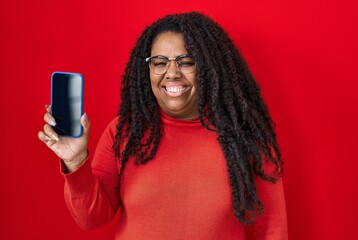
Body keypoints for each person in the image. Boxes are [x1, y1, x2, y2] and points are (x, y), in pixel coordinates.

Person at [38, 12, 288, 239]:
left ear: (209, 68)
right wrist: (76, 161)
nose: (172, 73)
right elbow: (90, 219)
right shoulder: (125, 132)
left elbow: (272, 229)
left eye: (186, 61)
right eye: (159, 62)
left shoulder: (244, 137)